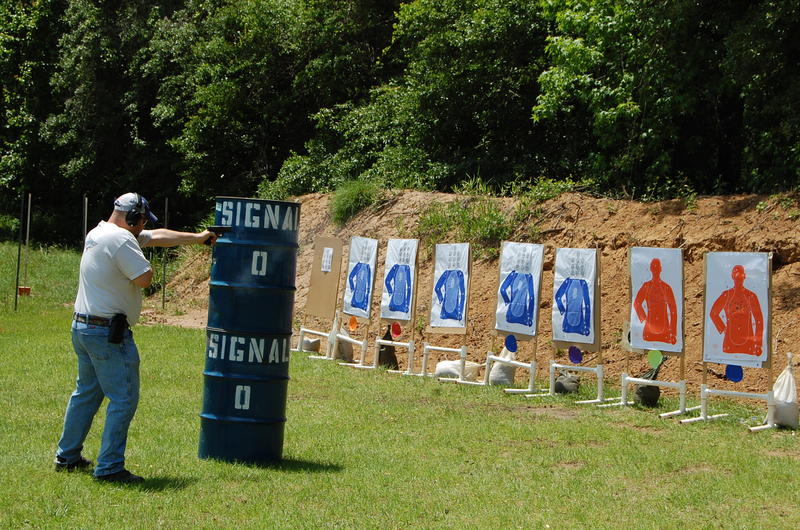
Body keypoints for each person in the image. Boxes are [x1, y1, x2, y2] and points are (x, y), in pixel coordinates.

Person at [54, 192, 218, 483]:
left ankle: (67, 457)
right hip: (107, 334)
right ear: (132, 217)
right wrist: (140, 258)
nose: (144, 226)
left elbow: (157, 236)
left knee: (86, 394)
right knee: (124, 398)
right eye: (142, 220)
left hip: (84, 328)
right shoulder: (122, 240)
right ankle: (109, 468)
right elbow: (144, 278)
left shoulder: (100, 232)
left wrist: (198, 238)